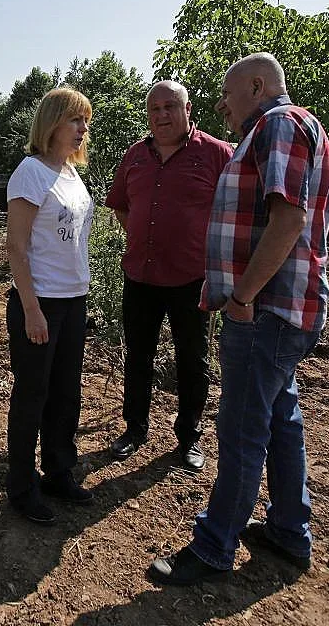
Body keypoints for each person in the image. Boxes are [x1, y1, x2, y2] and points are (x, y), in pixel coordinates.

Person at [150, 52, 329, 584]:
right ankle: (288, 529)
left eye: (227, 94)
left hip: (265, 311)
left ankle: (214, 546)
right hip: (277, 310)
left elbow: (288, 218)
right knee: (280, 419)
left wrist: (243, 297)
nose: (221, 106)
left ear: (257, 86)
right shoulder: (281, 129)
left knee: (240, 430)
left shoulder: (279, 124)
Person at [104, 81, 233, 470]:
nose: (161, 115)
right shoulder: (135, 156)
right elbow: (121, 205)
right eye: (154, 109)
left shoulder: (217, 154)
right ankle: (134, 429)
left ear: (187, 109)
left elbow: (237, 212)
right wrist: (144, 238)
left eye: (169, 107)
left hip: (191, 279)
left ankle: (189, 438)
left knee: (192, 360)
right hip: (140, 276)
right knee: (138, 356)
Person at [5, 87, 95, 525]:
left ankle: (59, 471)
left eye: (85, 121)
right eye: (74, 120)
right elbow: (16, 247)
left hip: (74, 300)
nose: (82, 129)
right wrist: (32, 309)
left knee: (66, 393)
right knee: (33, 395)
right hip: (41, 302)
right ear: (52, 123)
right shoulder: (31, 173)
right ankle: (22, 488)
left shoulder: (71, 173)